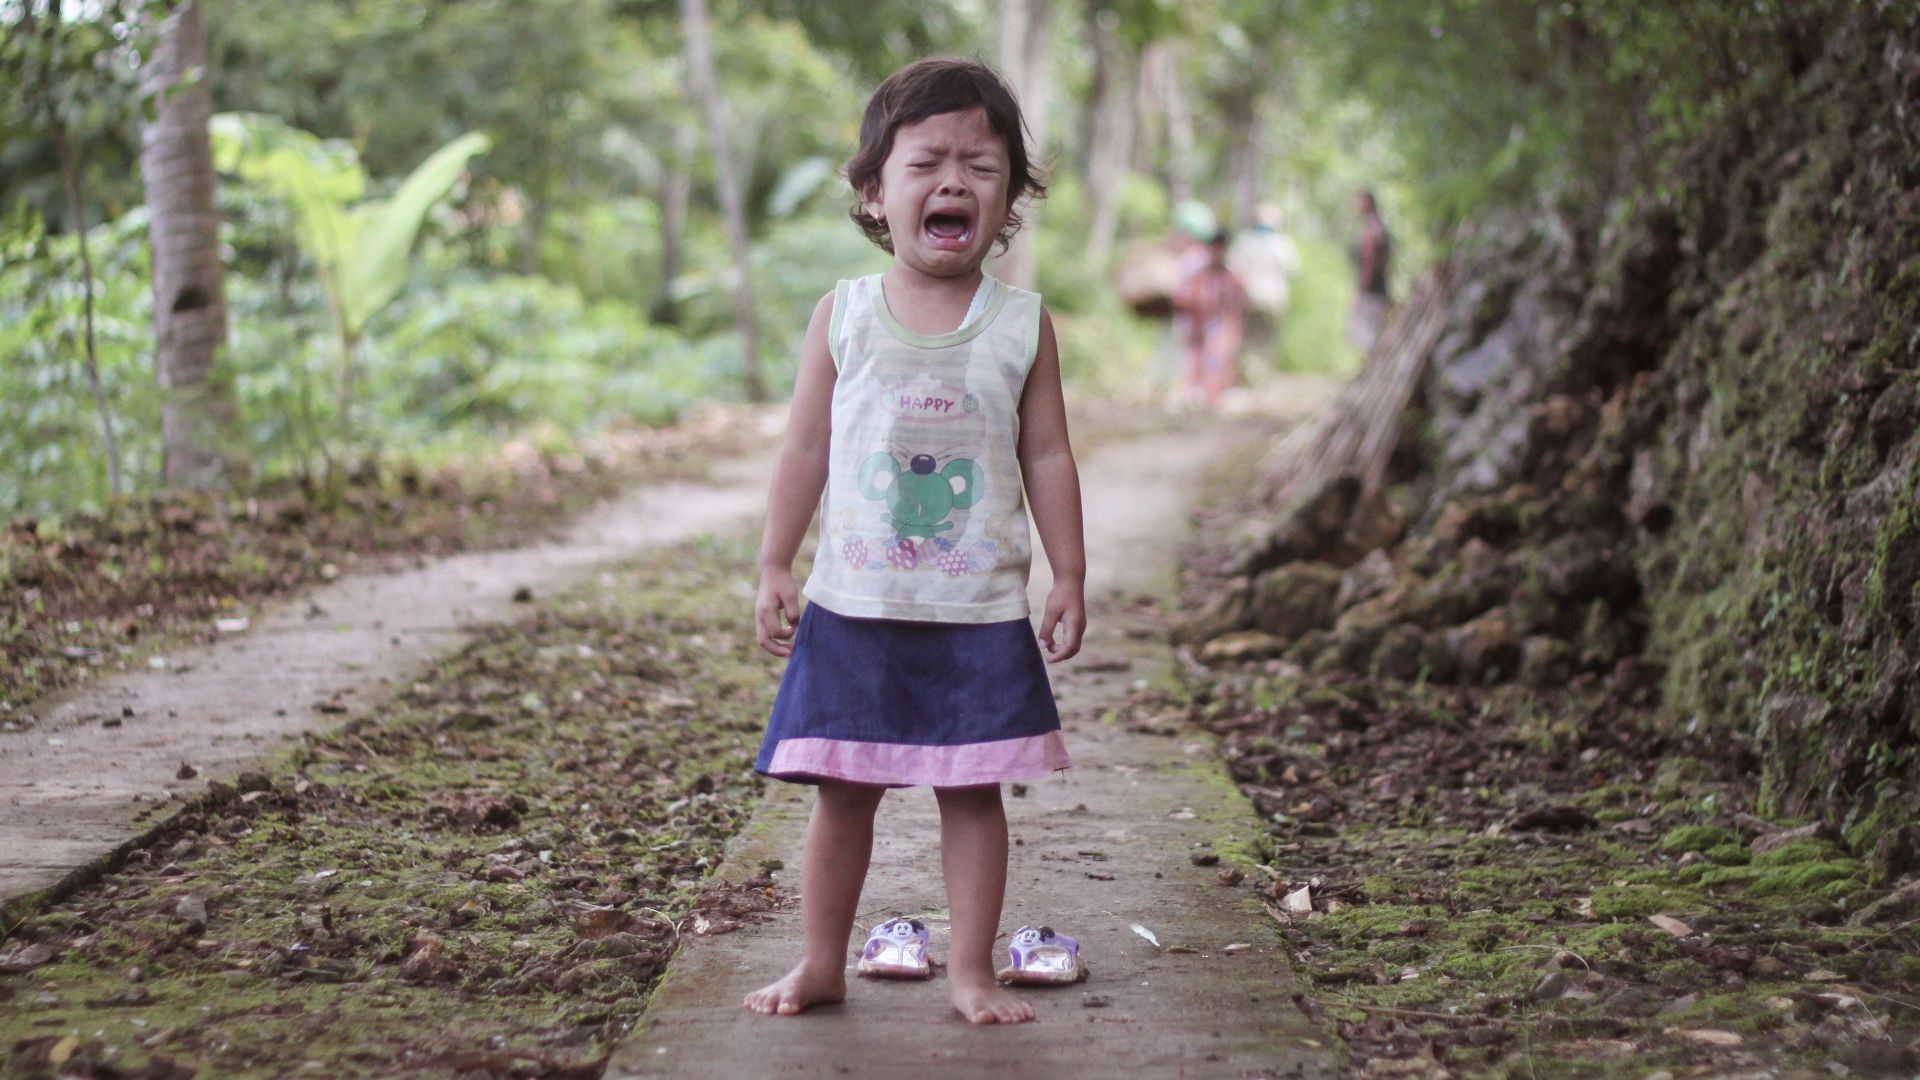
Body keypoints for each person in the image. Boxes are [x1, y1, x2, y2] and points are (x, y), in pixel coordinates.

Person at [744, 57, 1085, 1026]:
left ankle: (970, 970)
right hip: (854, 605)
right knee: (841, 796)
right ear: (873, 193)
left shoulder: (1021, 326)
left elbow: (1049, 455)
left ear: (1009, 199)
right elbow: (805, 448)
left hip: (977, 612)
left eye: (981, 166)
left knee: (973, 796)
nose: (953, 182)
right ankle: (821, 963)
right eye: (926, 162)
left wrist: (1069, 573)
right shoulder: (844, 316)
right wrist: (773, 561)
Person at [1171, 228, 1248, 407]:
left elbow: (1236, 309)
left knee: (1217, 360)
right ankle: (1194, 394)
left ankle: (1212, 396)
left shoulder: (1231, 279)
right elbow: (1183, 300)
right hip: (1197, 328)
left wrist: (1232, 332)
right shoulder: (1197, 277)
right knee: (1195, 361)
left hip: (1219, 329)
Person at [1226, 202, 1300, 363]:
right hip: (1270, 298)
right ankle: (1258, 367)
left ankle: (1250, 367)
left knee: (1250, 337)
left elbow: (1232, 268)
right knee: (1265, 337)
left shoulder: (1244, 240)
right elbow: (1292, 270)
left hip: (1252, 296)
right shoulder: (1282, 243)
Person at [1347, 189, 1393, 353]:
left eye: (1359, 201)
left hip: (1372, 289)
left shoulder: (1372, 228)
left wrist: (1363, 287)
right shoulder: (1376, 226)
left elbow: (1370, 260)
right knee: (1371, 332)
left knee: (1366, 334)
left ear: (1367, 203)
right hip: (1377, 287)